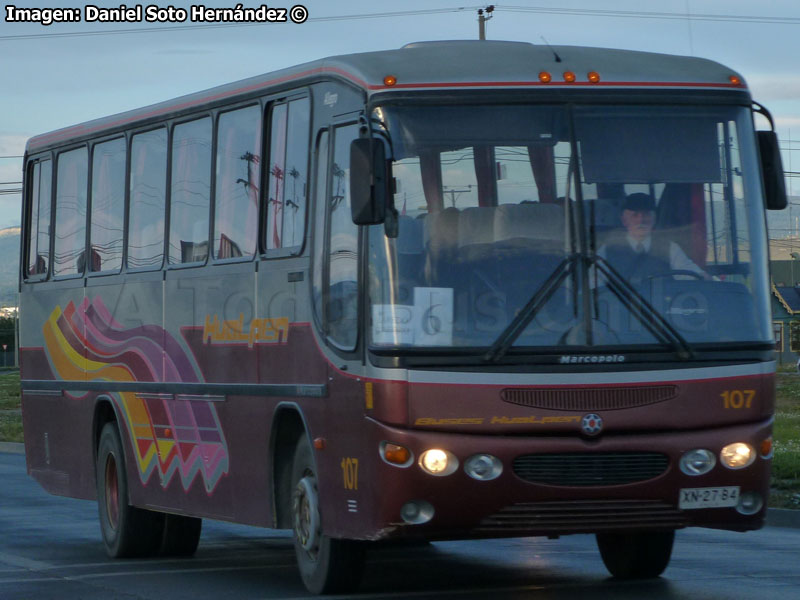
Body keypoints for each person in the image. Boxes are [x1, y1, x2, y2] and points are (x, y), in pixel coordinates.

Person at [596, 192, 709, 283]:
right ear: (624, 220)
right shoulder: (607, 250)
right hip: (620, 309)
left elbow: (691, 275)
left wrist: (706, 278)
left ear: (654, 219)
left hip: (658, 310)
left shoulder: (669, 248)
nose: (641, 220)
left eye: (646, 214)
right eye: (635, 215)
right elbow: (593, 285)